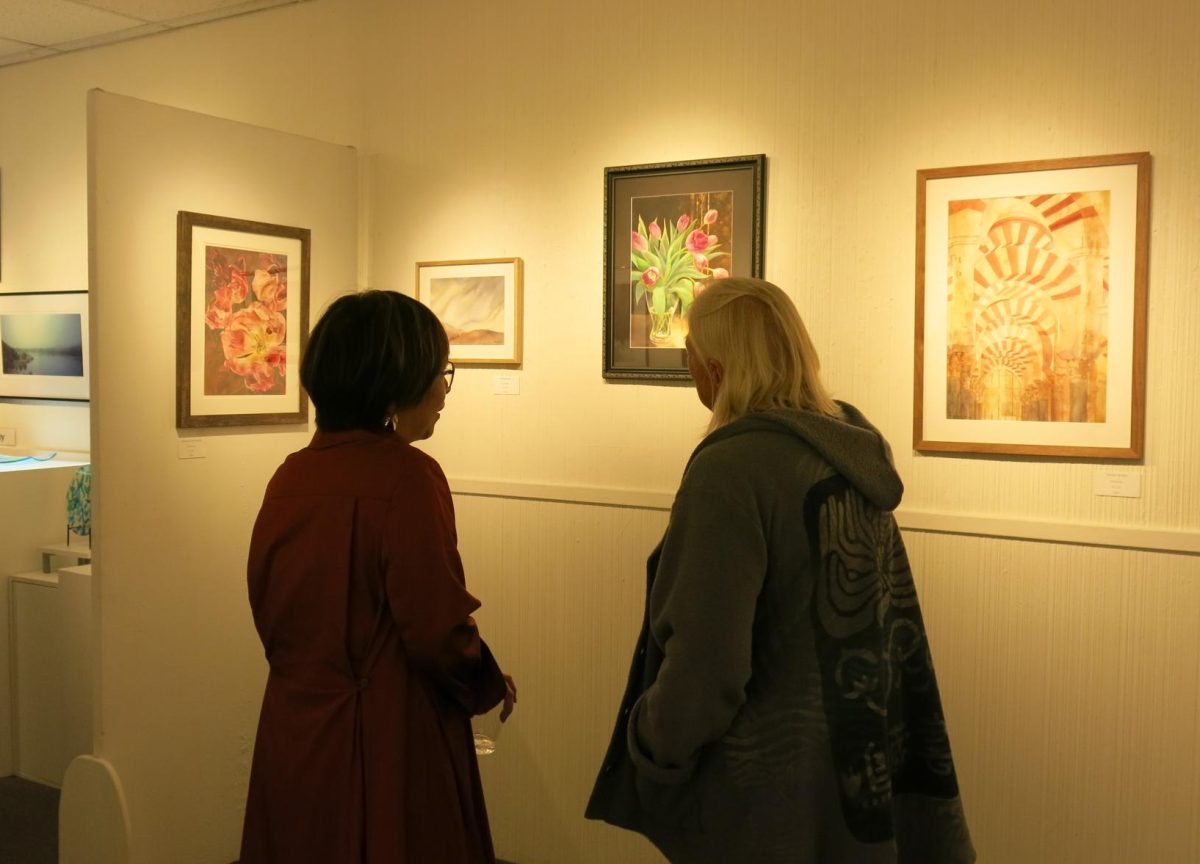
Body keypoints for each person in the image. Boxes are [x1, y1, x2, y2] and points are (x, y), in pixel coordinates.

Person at [585, 277, 975, 863]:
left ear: (716, 369)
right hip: (850, 778)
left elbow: (708, 663)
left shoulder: (732, 469)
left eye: (691, 356)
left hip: (763, 798)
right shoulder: (851, 455)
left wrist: (652, 742)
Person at [239, 290, 516, 864]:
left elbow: (273, 614)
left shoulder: (290, 475)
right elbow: (435, 626)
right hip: (387, 738)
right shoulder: (408, 478)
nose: (443, 389)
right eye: (439, 373)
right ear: (393, 384)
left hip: (297, 734)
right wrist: (485, 681)